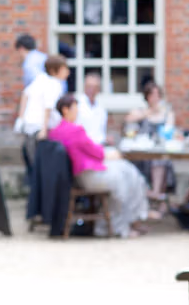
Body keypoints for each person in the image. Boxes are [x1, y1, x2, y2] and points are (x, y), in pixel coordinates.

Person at [50, 94, 160, 238]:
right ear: (65, 110)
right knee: (124, 178)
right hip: (87, 175)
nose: (77, 112)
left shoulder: (56, 131)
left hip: (79, 174)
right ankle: (121, 226)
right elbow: (95, 152)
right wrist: (110, 154)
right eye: (75, 108)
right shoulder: (75, 130)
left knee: (127, 170)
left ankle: (131, 219)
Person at [126, 80, 177, 213]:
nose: (155, 98)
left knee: (161, 159)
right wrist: (149, 112)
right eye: (152, 95)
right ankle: (155, 195)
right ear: (147, 96)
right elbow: (128, 120)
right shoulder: (141, 111)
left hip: (161, 150)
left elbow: (170, 130)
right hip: (143, 152)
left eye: (157, 95)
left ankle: (155, 193)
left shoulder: (166, 112)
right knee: (151, 160)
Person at [16, 54, 70, 171]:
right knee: (41, 166)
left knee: (33, 163)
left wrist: (20, 119)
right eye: (64, 69)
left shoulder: (40, 78)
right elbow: (48, 107)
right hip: (40, 130)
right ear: (54, 70)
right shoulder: (55, 84)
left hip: (29, 127)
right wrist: (44, 130)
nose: (68, 72)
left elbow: (25, 94)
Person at [75, 72, 109, 146]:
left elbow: (101, 131)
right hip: (82, 145)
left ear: (99, 89)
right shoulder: (76, 104)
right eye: (89, 86)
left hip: (99, 145)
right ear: (84, 87)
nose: (92, 89)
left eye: (95, 87)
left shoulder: (101, 107)